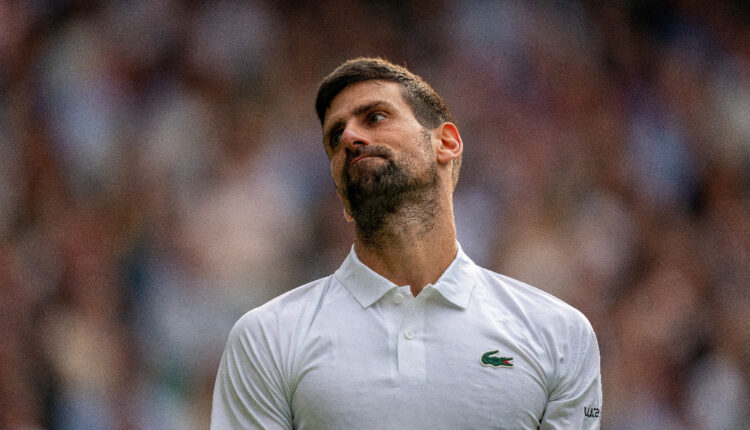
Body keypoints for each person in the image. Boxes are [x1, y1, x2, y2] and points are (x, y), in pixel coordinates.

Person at [210, 57, 602, 429]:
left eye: (375, 117)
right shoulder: (266, 338)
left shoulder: (560, 335)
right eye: (335, 137)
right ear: (343, 198)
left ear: (446, 143)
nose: (349, 137)